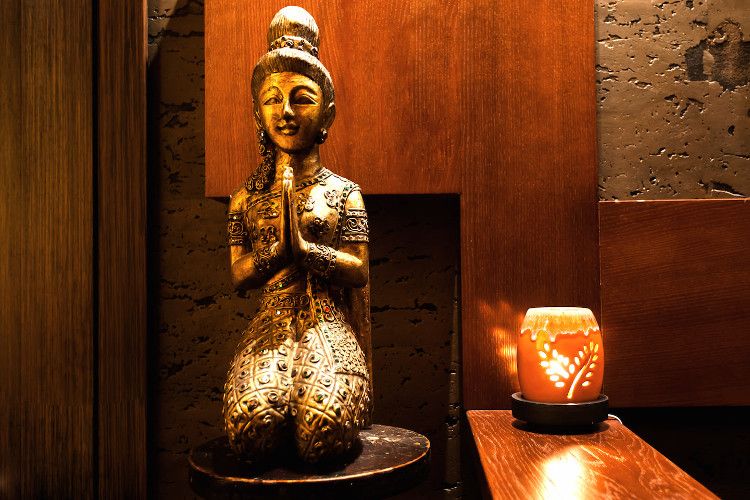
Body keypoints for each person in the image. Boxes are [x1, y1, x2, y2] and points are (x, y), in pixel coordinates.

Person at [222, 6, 372, 464]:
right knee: (251, 428)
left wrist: (307, 251)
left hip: (327, 322)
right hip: (271, 321)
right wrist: (275, 253)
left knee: (321, 432)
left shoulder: (343, 193)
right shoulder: (246, 197)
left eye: (302, 98)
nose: (285, 112)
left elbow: (359, 270)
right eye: (272, 99)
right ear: (258, 112)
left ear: (327, 113)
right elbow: (238, 275)